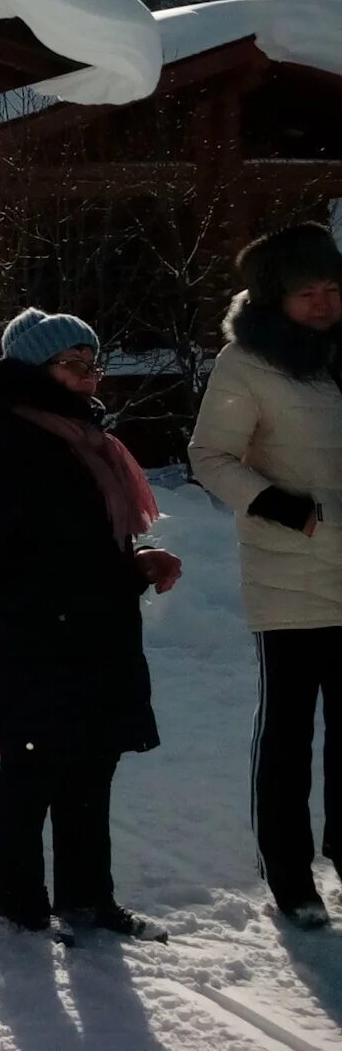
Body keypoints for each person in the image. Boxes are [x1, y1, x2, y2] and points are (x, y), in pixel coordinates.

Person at [0, 307, 181, 941]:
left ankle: (88, 900)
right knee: (34, 773)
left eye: (93, 364)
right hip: (28, 642)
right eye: (74, 365)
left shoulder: (84, 439)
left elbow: (84, 550)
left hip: (95, 635)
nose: (90, 378)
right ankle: (19, 908)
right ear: (34, 369)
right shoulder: (9, 447)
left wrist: (136, 564)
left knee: (92, 771)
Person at [189, 223, 342, 930]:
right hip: (292, 573)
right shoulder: (245, 364)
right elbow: (211, 457)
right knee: (288, 730)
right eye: (308, 291)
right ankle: (289, 874)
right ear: (275, 297)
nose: (323, 302)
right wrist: (285, 507)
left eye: (332, 289)